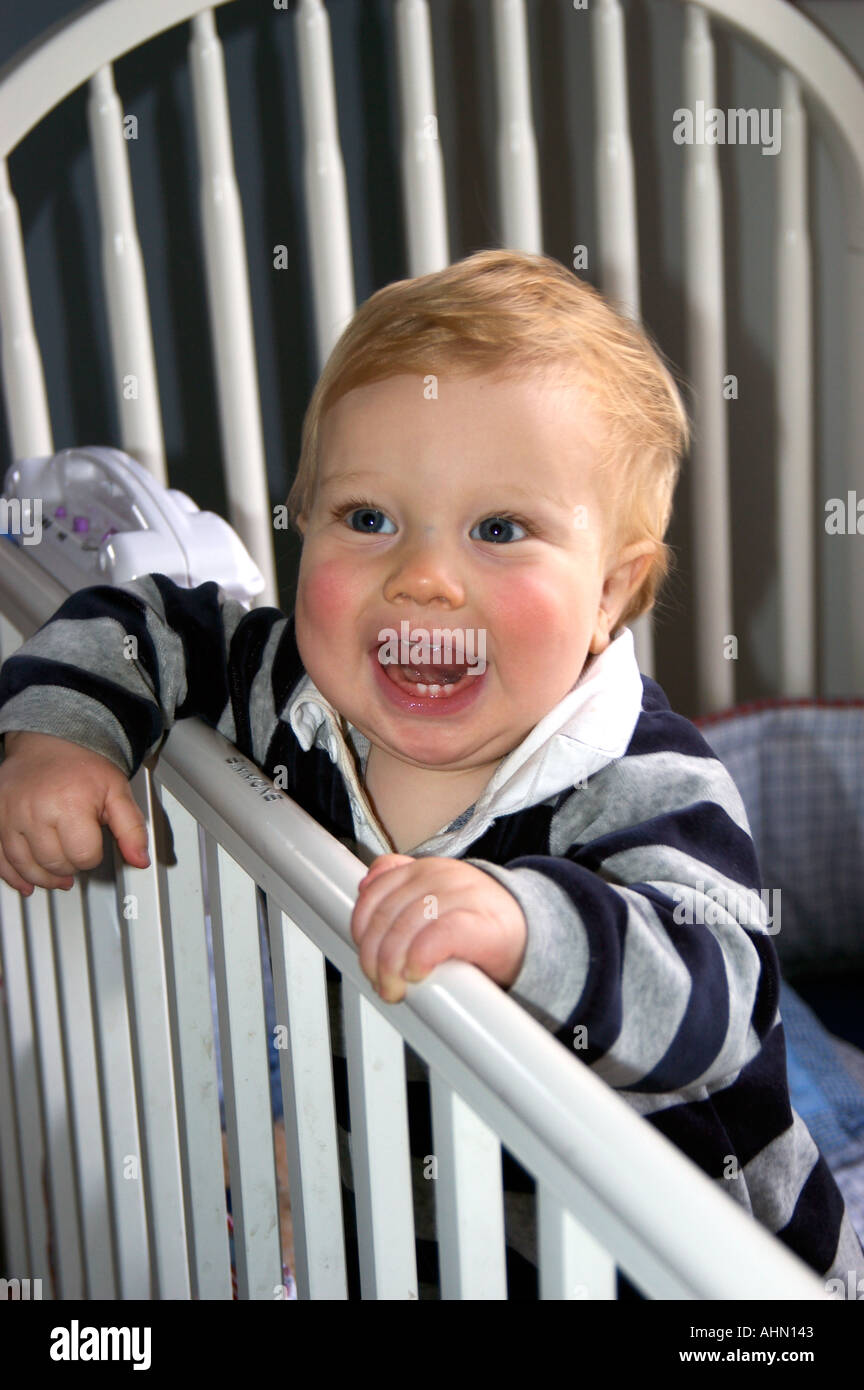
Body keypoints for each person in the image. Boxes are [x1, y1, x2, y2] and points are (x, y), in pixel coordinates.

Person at [0, 249, 860, 1300]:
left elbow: (716, 993)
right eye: (367, 518)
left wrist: (523, 922)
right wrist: (63, 735)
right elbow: (141, 619)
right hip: (423, 1218)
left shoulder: (639, 776)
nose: (423, 577)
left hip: (687, 1261)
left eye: (500, 529)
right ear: (302, 519)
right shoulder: (287, 687)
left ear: (611, 593)